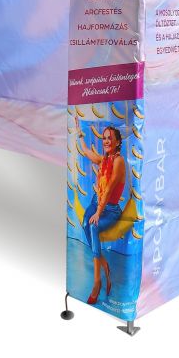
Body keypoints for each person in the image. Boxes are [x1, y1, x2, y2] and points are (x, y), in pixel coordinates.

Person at [75, 116, 126, 305]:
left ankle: (97, 282)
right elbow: (87, 152)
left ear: (117, 142)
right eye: (104, 138)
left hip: (110, 209)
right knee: (84, 223)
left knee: (93, 226)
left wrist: (98, 213)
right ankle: (103, 262)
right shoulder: (104, 160)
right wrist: (80, 134)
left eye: (110, 138)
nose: (106, 141)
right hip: (96, 201)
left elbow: (110, 188)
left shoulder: (119, 161)